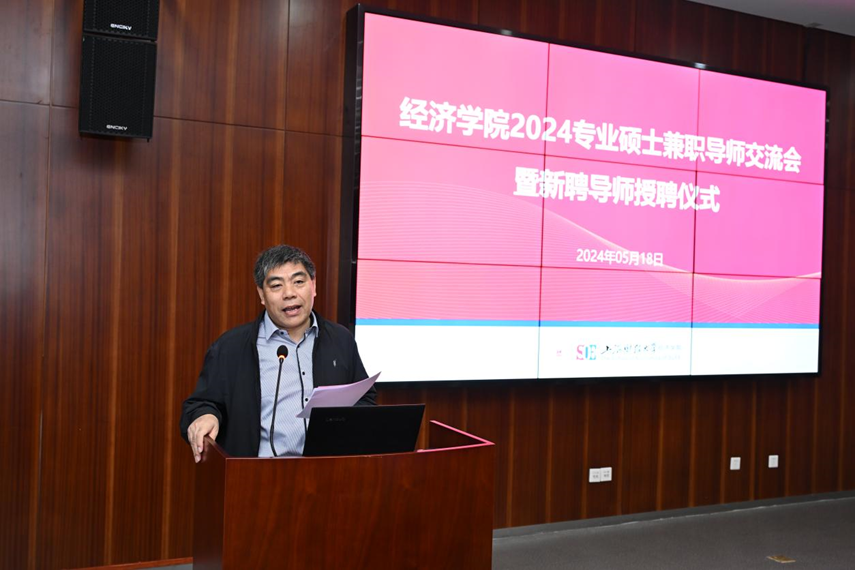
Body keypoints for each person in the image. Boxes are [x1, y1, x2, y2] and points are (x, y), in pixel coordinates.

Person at [180, 244, 376, 461]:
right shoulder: (231, 347)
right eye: (276, 285)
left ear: (313, 286)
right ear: (261, 295)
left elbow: (364, 398)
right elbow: (200, 404)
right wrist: (206, 415)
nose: (289, 294)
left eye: (298, 282)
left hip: (327, 472)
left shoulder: (340, 340)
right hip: (255, 474)